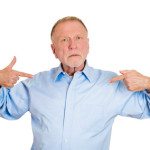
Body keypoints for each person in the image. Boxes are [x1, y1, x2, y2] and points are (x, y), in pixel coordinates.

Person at [0, 16, 150, 150]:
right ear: (54, 50)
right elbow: (6, 108)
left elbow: (146, 108)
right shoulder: (36, 83)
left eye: (78, 38)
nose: (73, 45)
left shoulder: (111, 84)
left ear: (88, 44)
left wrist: (148, 83)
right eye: (64, 40)